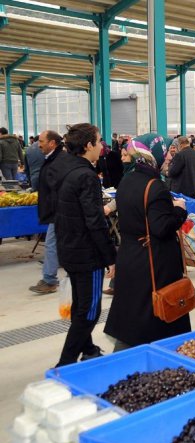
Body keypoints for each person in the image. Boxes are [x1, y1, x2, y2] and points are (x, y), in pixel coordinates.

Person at [104, 141, 190, 351]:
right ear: (155, 156)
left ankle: (126, 355)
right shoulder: (155, 186)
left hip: (130, 255)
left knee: (132, 312)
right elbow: (161, 227)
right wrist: (179, 210)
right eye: (167, 154)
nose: (170, 158)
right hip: (153, 260)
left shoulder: (127, 179)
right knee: (158, 314)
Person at [53, 123, 116, 367]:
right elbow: (95, 222)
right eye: (99, 142)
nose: (101, 147)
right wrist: (110, 257)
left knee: (80, 304)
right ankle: (65, 365)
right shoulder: (86, 175)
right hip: (86, 254)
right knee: (89, 311)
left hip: (68, 248)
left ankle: (88, 348)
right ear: (88, 145)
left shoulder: (63, 169)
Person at [28, 131, 65, 295]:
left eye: (41, 141)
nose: (38, 144)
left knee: (51, 243)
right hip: (56, 210)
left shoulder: (58, 160)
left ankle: (49, 279)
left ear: (52, 143)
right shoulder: (52, 158)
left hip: (58, 211)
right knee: (57, 243)